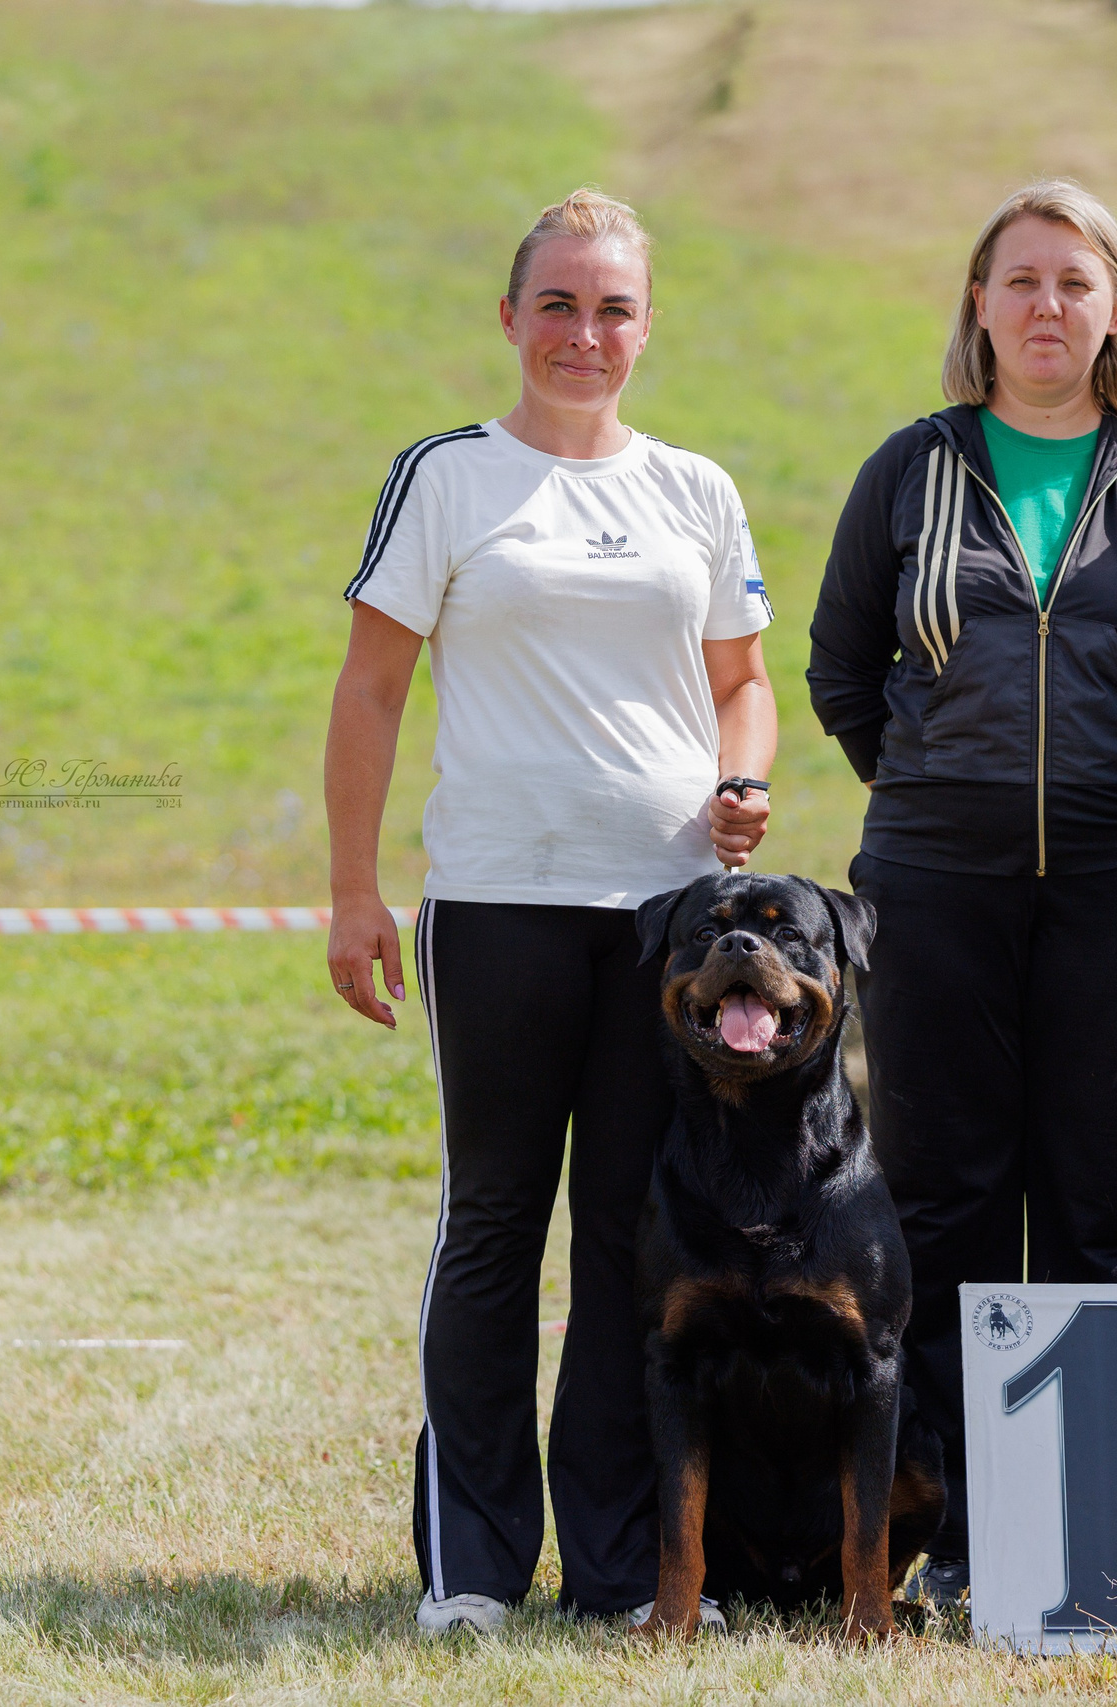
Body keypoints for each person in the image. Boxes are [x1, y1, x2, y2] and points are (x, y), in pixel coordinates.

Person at [322, 188, 775, 1635]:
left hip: (666, 923)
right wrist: (352, 889)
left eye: (616, 306)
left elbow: (740, 683)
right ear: (510, 318)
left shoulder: (696, 489)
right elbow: (372, 690)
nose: (589, 331)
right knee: (495, 1219)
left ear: (649, 325)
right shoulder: (445, 477)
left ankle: (623, 1566)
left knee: (632, 1237)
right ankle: (471, 1564)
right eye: (561, 303)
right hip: (498, 906)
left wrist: (744, 777)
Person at [807, 179, 1117, 1600]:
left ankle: (1097, 1536)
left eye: (1076, 280)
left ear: (1115, 304)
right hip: (934, 892)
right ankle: (963, 1537)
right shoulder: (912, 468)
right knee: (944, 1207)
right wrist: (938, 794)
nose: (1047, 304)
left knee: (1106, 1210)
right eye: (1022, 280)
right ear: (978, 305)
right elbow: (839, 666)